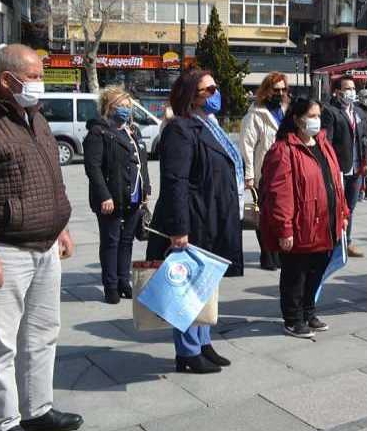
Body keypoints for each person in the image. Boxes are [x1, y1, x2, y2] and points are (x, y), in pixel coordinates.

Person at [0, 45, 83, 431]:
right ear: (7, 79)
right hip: (3, 248)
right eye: (34, 76)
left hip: (45, 245)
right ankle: (4, 422)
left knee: (42, 331)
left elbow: (50, 175)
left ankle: (37, 408)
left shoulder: (33, 117)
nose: (39, 83)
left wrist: (62, 226)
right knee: (0, 342)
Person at [148, 70, 244, 375]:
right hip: (195, 219)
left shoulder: (209, 126)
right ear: (193, 94)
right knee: (188, 287)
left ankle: (202, 342)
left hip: (214, 215)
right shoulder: (180, 129)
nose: (217, 93)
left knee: (206, 285)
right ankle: (187, 351)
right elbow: (175, 181)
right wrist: (179, 228)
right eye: (209, 89)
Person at [259, 98, 348, 339]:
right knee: (295, 274)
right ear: (297, 119)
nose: (316, 121)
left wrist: (343, 213)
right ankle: (292, 318)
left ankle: (309, 311)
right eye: (312, 116)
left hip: (325, 223)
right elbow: (280, 194)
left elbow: (335, 183)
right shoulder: (284, 150)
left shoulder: (323, 144)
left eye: (318, 115)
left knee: (316, 271)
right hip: (301, 225)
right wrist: (284, 228)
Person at [83, 86, 151, 304]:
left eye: (128, 106)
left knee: (127, 241)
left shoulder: (133, 131)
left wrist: (145, 189)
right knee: (111, 241)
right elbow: (93, 168)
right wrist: (104, 196)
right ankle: (110, 286)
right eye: (121, 106)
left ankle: (124, 281)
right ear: (108, 107)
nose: (125, 110)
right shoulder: (98, 132)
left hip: (132, 196)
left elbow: (141, 163)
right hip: (111, 198)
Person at [239, 72, 289, 271]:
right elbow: (247, 145)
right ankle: (267, 255)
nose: (280, 93)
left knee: (282, 214)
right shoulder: (255, 114)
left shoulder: (285, 110)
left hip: (285, 171)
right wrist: (249, 174)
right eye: (276, 89)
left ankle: (279, 252)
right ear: (267, 90)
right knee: (265, 216)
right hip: (264, 173)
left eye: (284, 89)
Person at [321, 75, 367, 258]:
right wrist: (330, 168)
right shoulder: (330, 111)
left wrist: (366, 163)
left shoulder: (357, 111)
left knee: (350, 207)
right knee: (335, 208)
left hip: (357, 168)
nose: (351, 92)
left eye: (352, 88)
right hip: (339, 168)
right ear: (337, 91)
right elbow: (327, 142)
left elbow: (363, 139)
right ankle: (332, 243)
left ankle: (346, 242)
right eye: (347, 88)